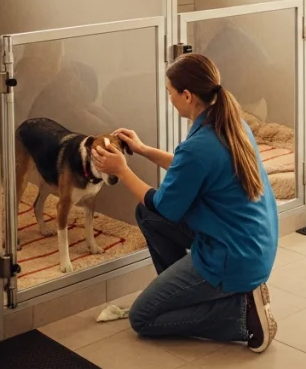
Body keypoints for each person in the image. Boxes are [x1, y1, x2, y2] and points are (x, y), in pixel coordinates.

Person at [90, 53, 279, 352]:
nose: (170, 99)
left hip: (231, 255)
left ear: (187, 95)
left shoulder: (200, 145)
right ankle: (194, 292)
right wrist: (142, 150)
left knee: (143, 318)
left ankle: (239, 315)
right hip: (249, 243)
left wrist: (122, 171)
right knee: (146, 216)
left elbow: (163, 205)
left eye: (170, 93)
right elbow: (189, 169)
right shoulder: (232, 123)